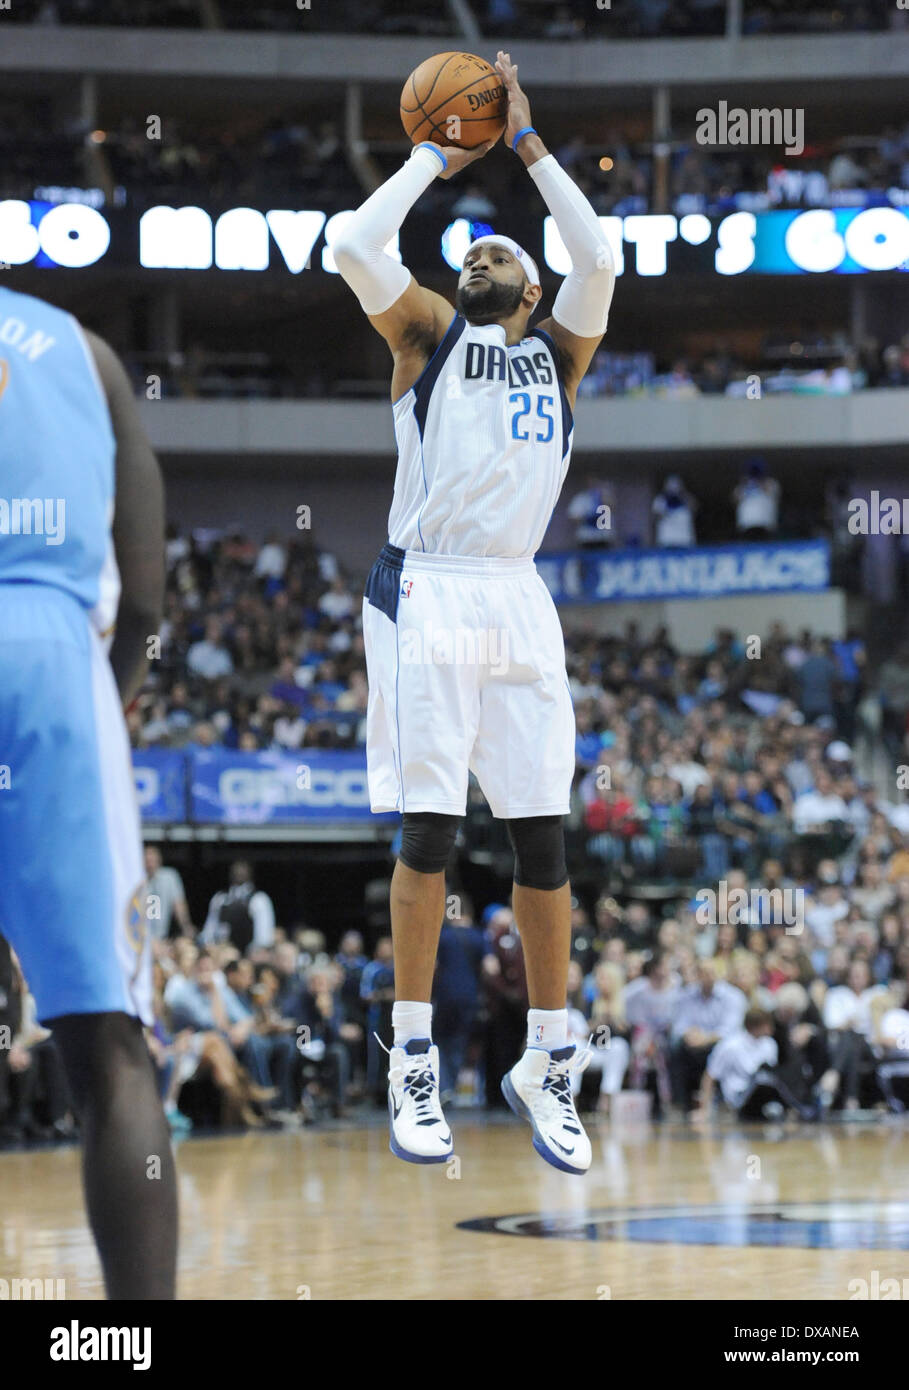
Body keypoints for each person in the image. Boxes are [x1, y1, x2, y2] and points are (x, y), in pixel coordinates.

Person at [334, 51, 615, 1173]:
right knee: (433, 831)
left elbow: (600, 251)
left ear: (532, 291)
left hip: (518, 593)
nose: (485, 253)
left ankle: (549, 1058)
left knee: (544, 838)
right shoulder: (427, 340)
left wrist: (532, 146)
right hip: (430, 584)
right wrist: (432, 159)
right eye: (473, 250)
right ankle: (410, 1055)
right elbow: (352, 246)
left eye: (502, 250)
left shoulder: (562, 354)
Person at [0, 284, 175, 1298]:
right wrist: (97, 707)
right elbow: (145, 597)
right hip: (54, 657)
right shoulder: (84, 350)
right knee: (106, 1045)